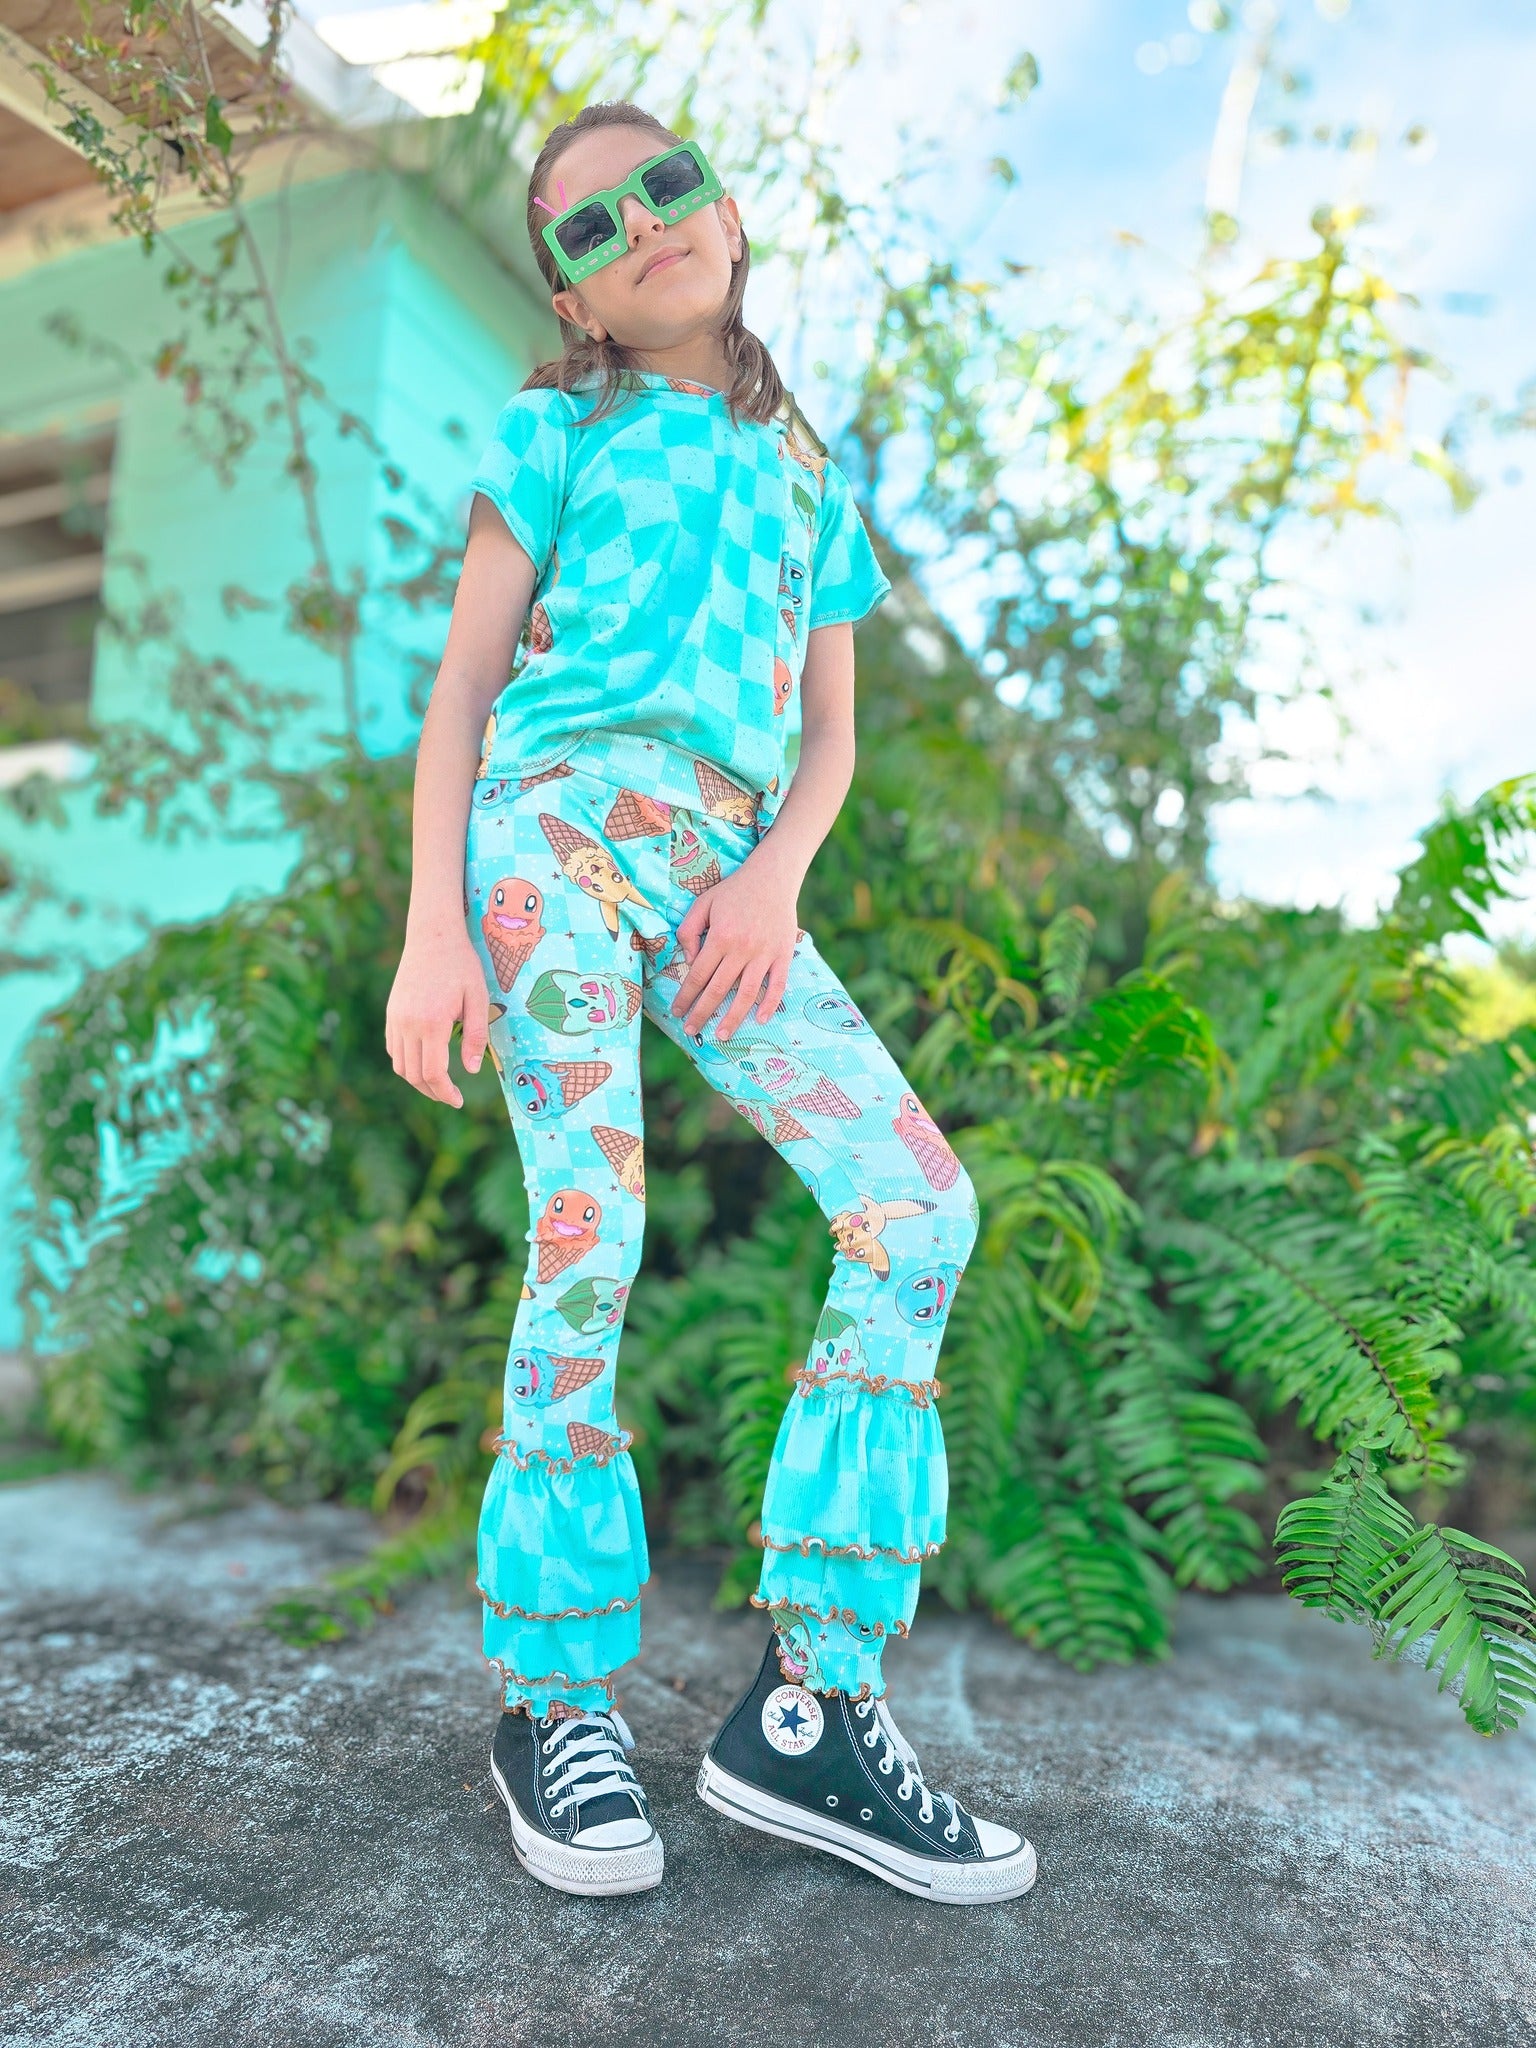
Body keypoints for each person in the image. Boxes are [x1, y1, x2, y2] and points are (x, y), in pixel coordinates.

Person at [385, 98, 1037, 1907]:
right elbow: (460, 693)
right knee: (591, 1223)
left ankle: (810, 1709)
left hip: (727, 880)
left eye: (666, 190)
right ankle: (552, 1702)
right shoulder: (559, 427)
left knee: (919, 1207)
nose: (642, 227)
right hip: (548, 834)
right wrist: (435, 928)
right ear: (574, 300)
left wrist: (773, 881)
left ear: (728, 215)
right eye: (589, 227)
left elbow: (832, 739)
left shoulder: (808, 470)